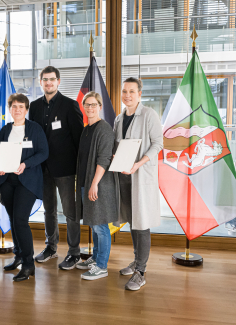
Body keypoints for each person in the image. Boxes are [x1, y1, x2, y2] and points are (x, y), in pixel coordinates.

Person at [29, 66, 84, 270]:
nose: (49, 83)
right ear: (40, 82)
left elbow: (79, 139)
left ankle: (74, 252)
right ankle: (51, 247)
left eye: (52, 79)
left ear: (58, 81)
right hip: (42, 169)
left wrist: (81, 169)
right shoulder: (34, 107)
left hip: (66, 169)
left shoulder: (70, 105)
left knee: (70, 212)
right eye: (45, 79)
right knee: (49, 211)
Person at [114, 77, 163, 291]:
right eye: (124, 91)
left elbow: (158, 144)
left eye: (132, 91)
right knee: (133, 221)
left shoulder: (149, 115)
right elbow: (118, 146)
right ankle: (137, 261)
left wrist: (138, 164)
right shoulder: (118, 118)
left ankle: (141, 272)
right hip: (124, 175)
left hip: (141, 175)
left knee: (142, 223)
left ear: (139, 94)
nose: (127, 95)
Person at [0, 94, 49, 282]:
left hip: (28, 181)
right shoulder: (5, 129)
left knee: (20, 221)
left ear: (26, 110)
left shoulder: (34, 128)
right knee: (13, 219)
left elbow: (43, 152)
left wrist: (25, 164)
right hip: (7, 181)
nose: (17, 109)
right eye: (14, 106)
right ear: (10, 109)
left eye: (21, 106)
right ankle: (18, 256)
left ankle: (28, 264)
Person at [74, 92, 117, 280]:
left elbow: (104, 159)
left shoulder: (104, 129)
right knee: (93, 222)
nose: (90, 108)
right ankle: (96, 258)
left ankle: (102, 266)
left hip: (98, 184)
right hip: (86, 182)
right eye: (87, 105)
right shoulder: (86, 129)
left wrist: (94, 184)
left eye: (93, 105)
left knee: (100, 225)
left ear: (100, 106)